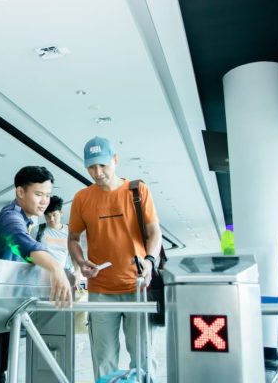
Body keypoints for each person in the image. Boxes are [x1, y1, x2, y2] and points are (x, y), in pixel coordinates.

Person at [68, 136, 162, 380]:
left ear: (115, 160)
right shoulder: (82, 198)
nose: (97, 173)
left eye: (102, 165)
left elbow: (154, 232)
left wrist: (150, 260)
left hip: (137, 286)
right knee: (104, 358)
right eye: (91, 167)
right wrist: (81, 262)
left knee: (143, 356)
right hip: (100, 290)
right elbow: (73, 239)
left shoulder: (137, 191)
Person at [0, 166, 73, 383]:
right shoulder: (10, 217)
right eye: (38, 194)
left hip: (2, 309)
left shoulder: (26, 220)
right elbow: (23, 244)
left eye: (47, 195)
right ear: (20, 192)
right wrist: (56, 269)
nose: (44, 201)